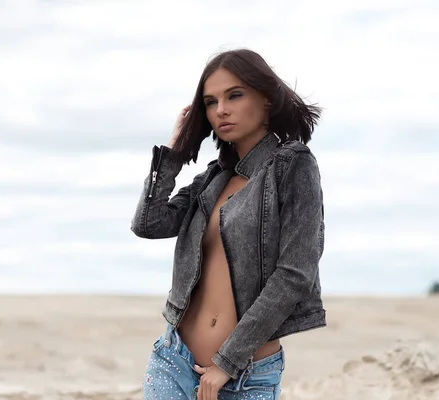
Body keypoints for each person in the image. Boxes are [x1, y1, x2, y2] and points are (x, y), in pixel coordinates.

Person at [130, 48, 325, 400]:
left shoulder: (293, 166)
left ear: (266, 98)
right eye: (210, 101)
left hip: (246, 375)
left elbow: (295, 273)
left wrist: (226, 363)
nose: (221, 109)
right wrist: (174, 152)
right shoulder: (212, 180)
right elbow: (149, 223)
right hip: (173, 360)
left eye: (234, 95)